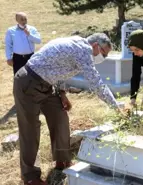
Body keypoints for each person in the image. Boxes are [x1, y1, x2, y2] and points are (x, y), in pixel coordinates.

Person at [13, 33, 123, 185]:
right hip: (28, 81)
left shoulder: (76, 44)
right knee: (30, 128)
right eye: (103, 53)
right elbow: (96, 83)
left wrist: (62, 94)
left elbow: (59, 70)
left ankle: (62, 161)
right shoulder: (83, 50)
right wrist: (116, 107)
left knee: (60, 117)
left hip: (47, 84)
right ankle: (30, 176)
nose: (102, 58)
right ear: (96, 45)